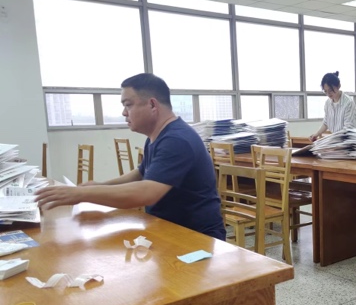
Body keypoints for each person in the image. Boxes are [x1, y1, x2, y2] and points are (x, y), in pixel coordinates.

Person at [36, 73, 226, 241]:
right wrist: (101, 185)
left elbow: (146, 193)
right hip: (168, 229)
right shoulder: (157, 136)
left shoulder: (177, 140)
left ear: (152, 104)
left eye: (128, 105)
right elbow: (141, 173)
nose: (124, 113)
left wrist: (81, 194)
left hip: (196, 238)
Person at [309, 71, 356, 142]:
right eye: (325, 91)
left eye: (330, 90)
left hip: (349, 141)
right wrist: (317, 134)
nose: (328, 94)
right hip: (337, 141)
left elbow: (349, 129)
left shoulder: (348, 103)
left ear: (338, 86)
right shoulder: (328, 103)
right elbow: (326, 123)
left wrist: (332, 139)